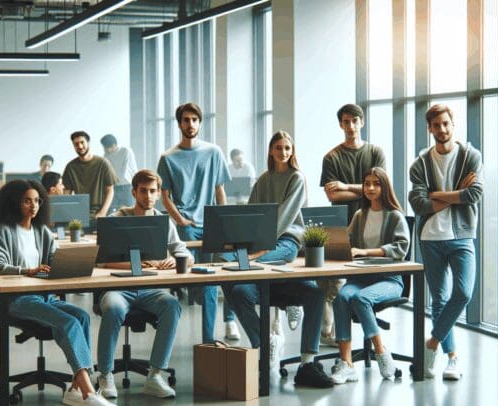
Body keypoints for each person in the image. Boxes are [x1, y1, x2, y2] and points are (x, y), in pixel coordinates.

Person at [0, 179, 118, 406]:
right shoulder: (4, 230)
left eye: (37, 201)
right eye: (27, 200)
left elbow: (54, 260)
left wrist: (66, 266)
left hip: (43, 297)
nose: (33, 205)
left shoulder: (41, 231)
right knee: (68, 322)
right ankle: (88, 393)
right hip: (16, 299)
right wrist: (26, 271)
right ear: (15, 202)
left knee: (82, 316)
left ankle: (74, 389)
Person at [222, 130, 332, 388]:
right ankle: (264, 341)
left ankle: (308, 362)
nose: (283, 152)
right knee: (236, 289)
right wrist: (247, 244)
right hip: (260, 247)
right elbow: (251, 213)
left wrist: (259, 251)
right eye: (279, 148)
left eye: (287, 148)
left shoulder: (297, 178)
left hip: (286, 243)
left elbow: (283, 218)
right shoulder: (262, 180)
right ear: (271, 151)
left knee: (246, 266)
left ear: (292, 151)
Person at [96, 170, 189, 400]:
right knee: (114, 308)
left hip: (151, 289)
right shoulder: (118, 219)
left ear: (158, 194)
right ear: (134, 192)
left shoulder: (163, 221)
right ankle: (105, 374)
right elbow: (102, 260)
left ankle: (155, 375)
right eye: (143, 191)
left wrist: (175, 260)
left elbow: (183, 250)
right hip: (118, 287)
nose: (148, 196)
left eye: (152, 191)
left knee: (172, 305)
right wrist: (133, 264)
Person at [408, 104, 483, 381]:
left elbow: (473, 194)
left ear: (453, 124)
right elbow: (418, 203)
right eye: (436, 125)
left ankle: (432, 344)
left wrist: (436, 196)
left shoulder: (470, 156)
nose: (441, 130)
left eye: (445, 124)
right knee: (438, 299)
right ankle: (452, 359)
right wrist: (453, 192)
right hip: (430, 238)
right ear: (429, 128)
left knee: (462, 293)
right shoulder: (420, 164)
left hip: (462, 236)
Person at [157, 102, 240, 343]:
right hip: (187, 226)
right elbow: (165, 197)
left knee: (222, 273)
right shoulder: (168, 158)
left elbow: (219, 189)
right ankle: (197, 337)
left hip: (213, 223)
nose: (190, 124)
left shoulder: (214, 152)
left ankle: (221, 327)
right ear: (179, 123)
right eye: (186, 120)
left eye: (194, 119)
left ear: (200, 123)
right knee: (202, 281)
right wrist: (181, 220)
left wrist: (222, 221)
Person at [330, 167, 410, 384]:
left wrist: (365, 251)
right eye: (367, 183)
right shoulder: (360, 215)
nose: (371, 188)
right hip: (360, 278)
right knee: (342, 299)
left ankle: (381, 352)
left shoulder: (395, 216)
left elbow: (401, 248)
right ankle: (346, 364)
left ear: (385, 187)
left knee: (361, 298)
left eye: (376, 183)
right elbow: (345, 241)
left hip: (388, 280)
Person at [317, 103, 388, 345]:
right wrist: (366, 190)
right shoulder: (332, 157)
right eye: (345, 121)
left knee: (362, 279)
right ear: (340, 124)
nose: (350, 126)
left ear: (362, 122)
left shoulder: (376, 152)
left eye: (354, 121)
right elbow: (333, 196)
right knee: (335, 280)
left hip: (373, 224)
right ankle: (336, 331)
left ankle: (349, 329)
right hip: (339, 224)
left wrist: (347, 186)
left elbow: (380, 189)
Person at [62, 130, 117, 228]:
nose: (80, 146)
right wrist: (67, 216)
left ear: (88, 143)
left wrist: (102, 212)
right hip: (79, 215)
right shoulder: (70, 167)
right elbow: (67, 194)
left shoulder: (103, 163)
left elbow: (110, 190)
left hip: (100, 213)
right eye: (76, 144)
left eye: (82, 142)